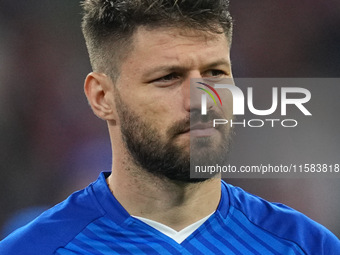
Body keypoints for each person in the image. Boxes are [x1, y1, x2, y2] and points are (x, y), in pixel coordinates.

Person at [1, 0, 339, 254]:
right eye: (168, 78)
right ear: (102, 96)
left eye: (216, 74)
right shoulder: (34, 249)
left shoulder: (307, 245)